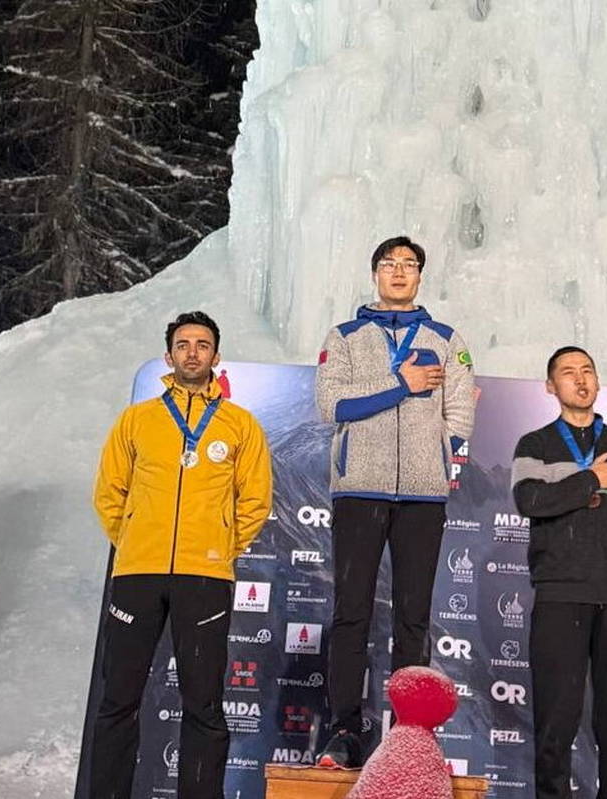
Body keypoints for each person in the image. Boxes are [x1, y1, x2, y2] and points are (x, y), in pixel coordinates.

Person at [90, 311, 273, 799]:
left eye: (202, 345)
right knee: (118, 700)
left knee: (204, 705)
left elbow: (255, 501)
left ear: (216, 355)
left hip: (205, 577)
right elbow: (109, 493)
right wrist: (133, 539)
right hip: (138, 574)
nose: (193, 353)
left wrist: (219, 547)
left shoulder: (239, 425)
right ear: (168, 356)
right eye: (184, 345)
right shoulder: (137, 420)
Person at [313, 236, 477, 767]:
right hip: (358, 489)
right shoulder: (344, 337)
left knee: (413, 618)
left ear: (420, 276)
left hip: (423, 497)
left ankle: (411, 735)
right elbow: (331, 405)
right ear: (375, 274)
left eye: (409, 264)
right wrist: (400, 384)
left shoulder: (447, 340)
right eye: (390, 264)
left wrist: (439, 454)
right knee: (351, 613)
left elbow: (460, 412)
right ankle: (343, 731)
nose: (400, 271)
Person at [510, 346, 607, 799]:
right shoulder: (534, 445)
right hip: (560, 598)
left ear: (597, 381)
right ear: (551, 387)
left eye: (587, 370)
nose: (580, 379)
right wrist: (591, 479)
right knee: (555, 728)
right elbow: (530, 501)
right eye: (568, 372)